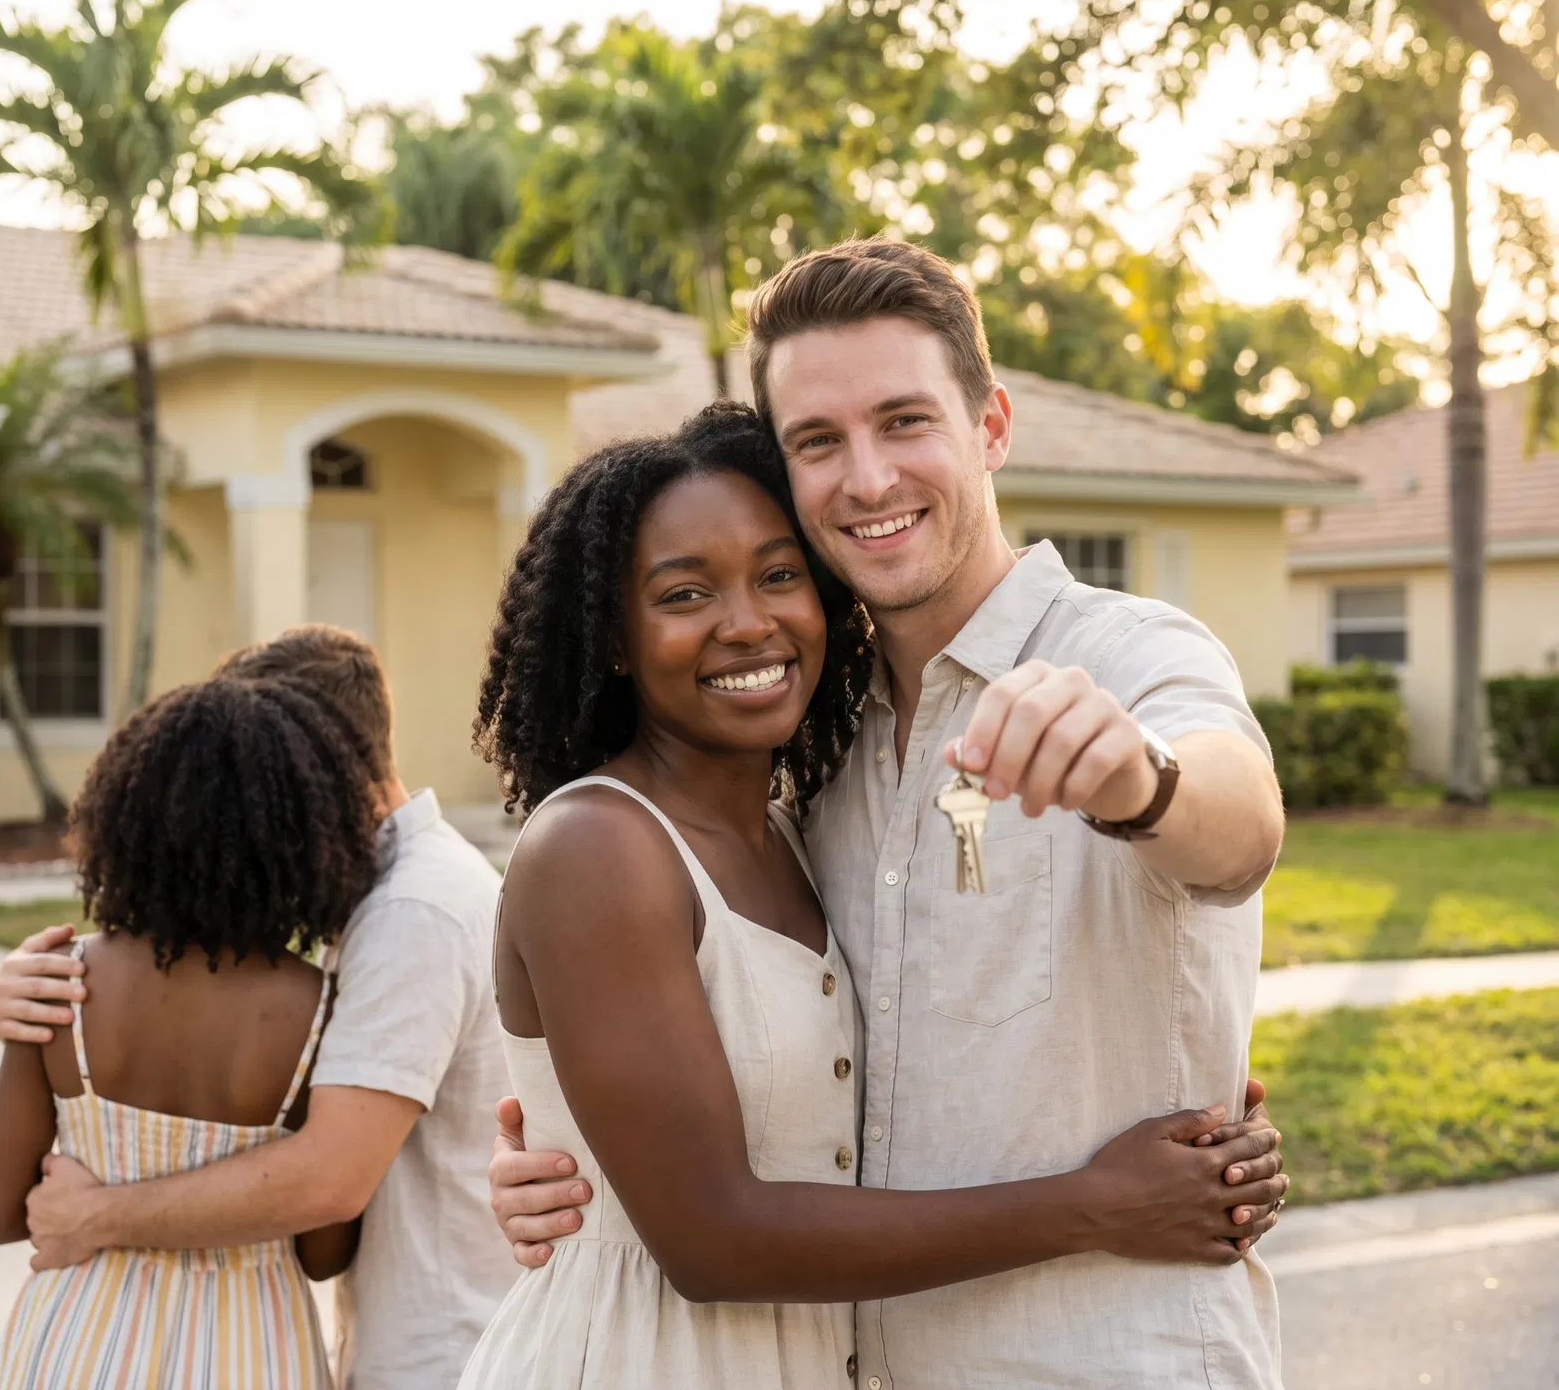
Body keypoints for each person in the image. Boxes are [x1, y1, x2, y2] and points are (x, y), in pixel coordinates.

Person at [490, 238, 1293, 1387]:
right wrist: (567, 1156)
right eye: (819, 442)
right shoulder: (820, 756)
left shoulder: (1129, 654)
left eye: (905, 421)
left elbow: (1240, 828)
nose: (866, 478)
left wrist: (1139, 781)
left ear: (992, 426)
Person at [0, 626, 516, 1390]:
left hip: (440, 1351)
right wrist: (10, 995)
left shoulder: (414, 911)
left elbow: (329, 1180)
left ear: (323, 756)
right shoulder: (375, 900)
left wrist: (99, 1214)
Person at [0, 675, 377, 1389]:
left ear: (127, 821)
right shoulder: (317, 1010)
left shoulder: (58, 983)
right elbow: (321, 1254)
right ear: (302, 835)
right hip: (251, 1351)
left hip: (77, 1343)